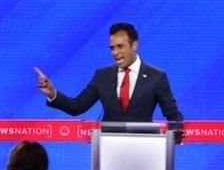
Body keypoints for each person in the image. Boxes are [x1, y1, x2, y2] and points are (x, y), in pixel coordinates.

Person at [37, 22, 182, 124]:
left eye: (120, 47)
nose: (115, 53)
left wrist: (176, 134)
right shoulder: (102, 76)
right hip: (108, 150)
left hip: (144, 150)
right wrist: (52, 93)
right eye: (112, 48)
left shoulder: (156, 77)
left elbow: (173, 116)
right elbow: (77, 106)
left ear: (134, 45)